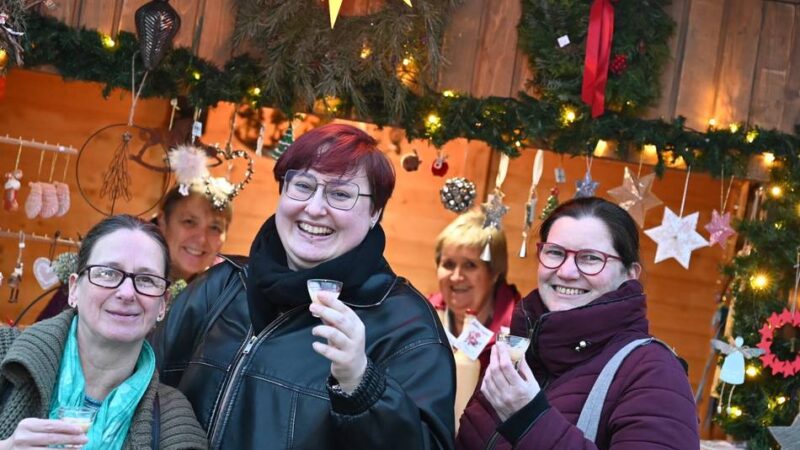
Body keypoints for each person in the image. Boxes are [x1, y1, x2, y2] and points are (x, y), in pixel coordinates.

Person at [151, 123, 456, 450]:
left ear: (375, 213)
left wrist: (362, 385)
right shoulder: (222, 286)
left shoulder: (405, 325)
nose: (314, 208)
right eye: (303, 186)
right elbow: (147, 389)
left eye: (340, 194)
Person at [456, 197, 699, 449]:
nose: (566, 272)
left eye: (591, 258)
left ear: (629, 275)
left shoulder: (653, 372)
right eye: (555, 252)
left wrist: (530, 420)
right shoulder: (520, 352)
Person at [0, 215, 207, 450]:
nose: (127, 293)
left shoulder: (173, 421)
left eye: (147, 279)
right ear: (74, 289)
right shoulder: (5, 352)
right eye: (108, 273)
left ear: (162, 304)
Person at [429, 210, 520, 423]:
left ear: (495, 273)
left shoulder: (519, 332)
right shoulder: (421, 318)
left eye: (470, 265)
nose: (457, 276)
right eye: (448, 264)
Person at [156, 185, 232, 282]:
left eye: (214, 228)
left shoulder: (226, 290)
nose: (202, 239)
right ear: (163, 222)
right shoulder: (132, 271)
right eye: (189, 222)